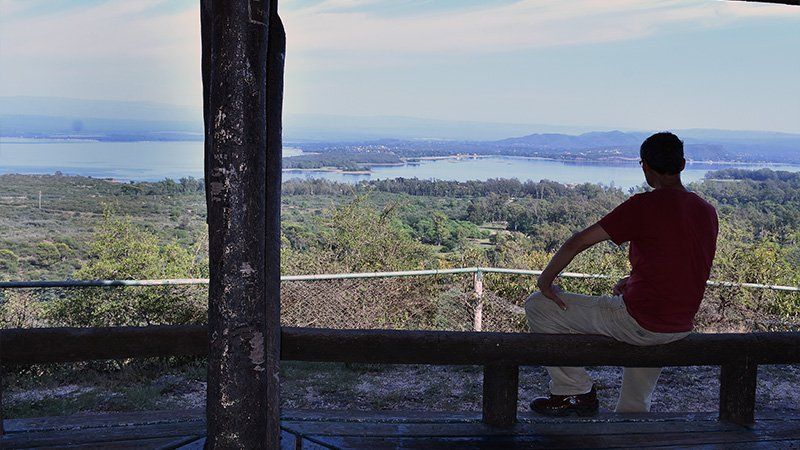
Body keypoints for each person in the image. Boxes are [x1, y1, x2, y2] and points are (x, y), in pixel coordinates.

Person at [525, 132, 718, 416]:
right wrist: (635, 280)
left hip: (639, 320)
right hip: (677, 325)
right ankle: (631, 421)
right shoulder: (706, 211)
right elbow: (685, 263)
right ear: (683, 164)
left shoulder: (643, 206)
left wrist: (545, 281)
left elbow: (579, 241)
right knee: (635, 403)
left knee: (538, 305)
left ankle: (573, 390)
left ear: (645, 166)